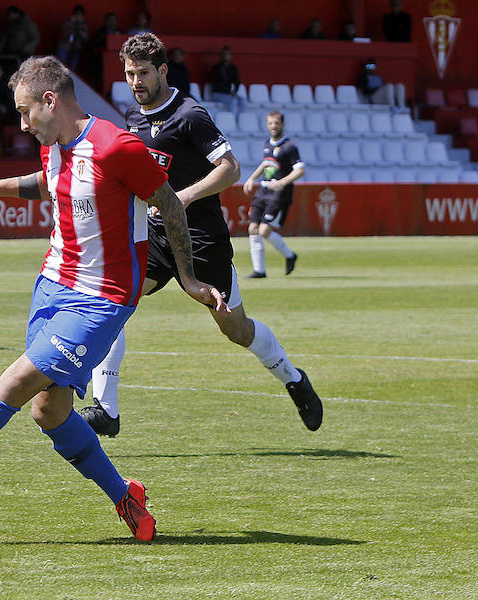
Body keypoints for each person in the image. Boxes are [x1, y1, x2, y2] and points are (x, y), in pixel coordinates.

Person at [0, 55, 227, 542]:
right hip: (52, 285)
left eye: (26, 112)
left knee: (15, 383)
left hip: (102, 299)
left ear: (51, 100)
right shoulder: (55, 143)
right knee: (50, 412)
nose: (23, 125)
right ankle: (124, 495)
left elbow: (169, 204)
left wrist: (189, 279)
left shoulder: (117, 147)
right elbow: (48, 182)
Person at [79, 33, 322, 439]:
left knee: (236, 330)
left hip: (201, 238)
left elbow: (230, 168)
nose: (136, 82)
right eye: (129, 74)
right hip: (157, 237)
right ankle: (107, 409)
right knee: (115, 302)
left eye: (142, 73)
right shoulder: (133, 118)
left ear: (162, 71)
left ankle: (294, 379)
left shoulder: (190, 114)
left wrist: (184, 196)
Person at [242, 110, 303, 279]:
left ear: (282, 125)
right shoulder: (267, 144)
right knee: (253, 228)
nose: (273, 126)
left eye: (276, 123)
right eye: (270, 123)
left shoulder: (289, 147)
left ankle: (289, 255)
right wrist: (251, 178)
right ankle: (259, 270)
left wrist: (281, 183)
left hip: (279, 194)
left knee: (263, 230)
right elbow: (266, 163)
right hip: (262, 191)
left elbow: (300, 170)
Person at [0, 5, 40, 70]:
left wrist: (24, 49)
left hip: (24, 54)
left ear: (16, 14)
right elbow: (4, 39)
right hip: (12, 52)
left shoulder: (28, 24)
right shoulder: (10, 25)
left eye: (10, 15)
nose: (9, 17)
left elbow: (35, 39)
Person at [210, 46, 245, 114]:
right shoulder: (216, 68)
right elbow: (216, 84)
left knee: (243, 101)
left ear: (230, 56)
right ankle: (230, 119)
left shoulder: (233, 68)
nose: (225, 56)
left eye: (227, 54)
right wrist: (229, 92)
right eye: (223, 54)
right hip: (217, 94)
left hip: (228, 94)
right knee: (233, 101)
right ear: (220, 56)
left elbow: (237, 82)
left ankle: (237, 119)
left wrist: (235, 92)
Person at [55, 4, 88, 70]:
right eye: (76, 14)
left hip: (76, 50)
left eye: (80, 14)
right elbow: (65, 35)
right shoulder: (67, 23)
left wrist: (79, 27)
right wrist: (72, 24)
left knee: (73, 70)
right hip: (64, 50)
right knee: (61, 68)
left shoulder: (83, 26)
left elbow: (85, 38)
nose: (78, 16)